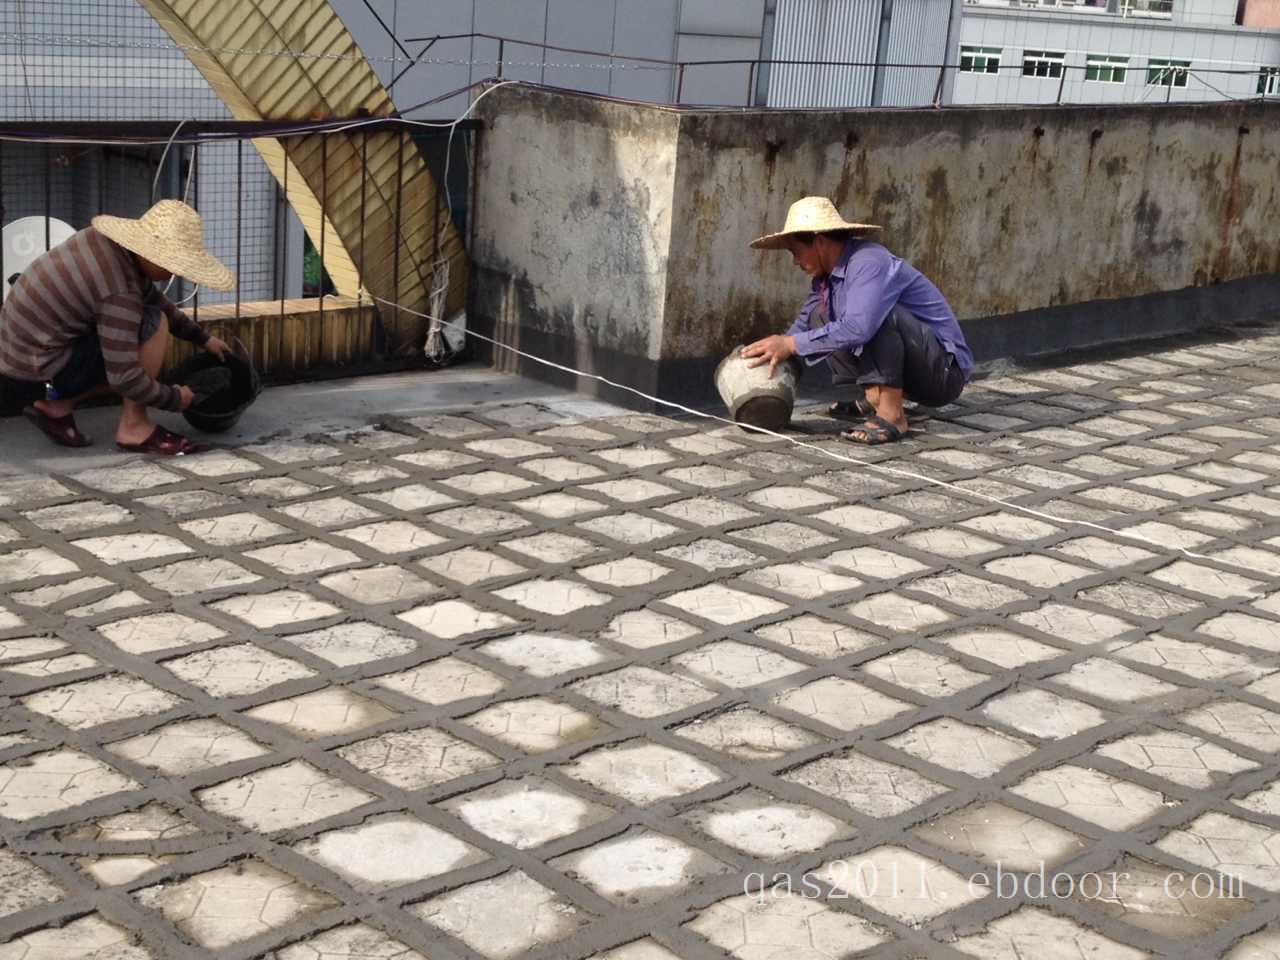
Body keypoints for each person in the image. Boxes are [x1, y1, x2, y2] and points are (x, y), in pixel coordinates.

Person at [0, 199, 235, 455]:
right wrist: (177, 399)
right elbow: (125, 378)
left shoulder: (105, 244)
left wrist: (202, 339)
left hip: (20, 356)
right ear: (148, 252)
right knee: (155, 324)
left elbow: (150, 296)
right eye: (171, 265)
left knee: (139, 323)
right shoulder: (119, 291)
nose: (174, 273)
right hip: (40, 368)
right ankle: (134, 428)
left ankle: (56, 408)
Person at [742, 196, 973, 445]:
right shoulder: (824, 279)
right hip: (913, 370)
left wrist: (791, 344)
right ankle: (873, 396)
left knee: (872, 318)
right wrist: (771, 352)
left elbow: (859, 328)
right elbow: (800, 329)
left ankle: (892, 414)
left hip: (944, 373)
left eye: (796, 252)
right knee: (819, 316)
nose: (795, 261)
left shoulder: (869, 262)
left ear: (819, 242)